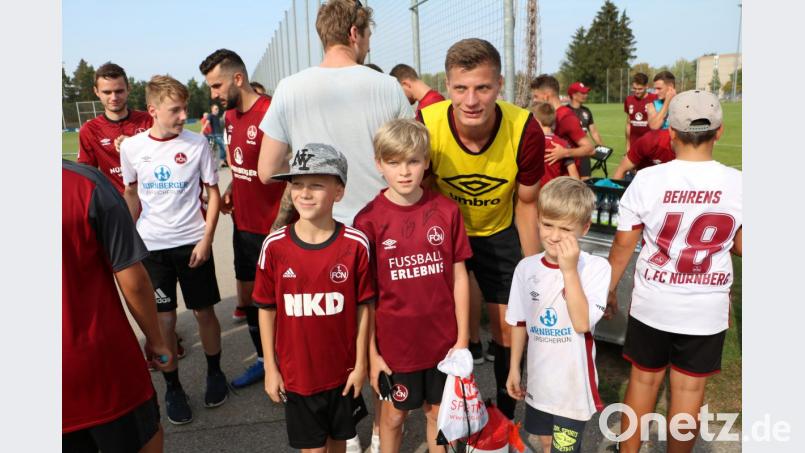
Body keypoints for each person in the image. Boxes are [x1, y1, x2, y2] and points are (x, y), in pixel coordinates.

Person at [606, 90, 742, 453]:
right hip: (705, 308)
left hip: (654, 301)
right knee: (688, 391)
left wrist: (607, 289)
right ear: (719, 132)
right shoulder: (739, 183)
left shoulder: (648, 180)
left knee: (643, 382)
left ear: (670, 134)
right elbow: (742, 246)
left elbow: (623, 245)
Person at [419, 38, 545, 420]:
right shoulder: (427, 124)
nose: (471, 100)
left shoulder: (525, 129)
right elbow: (420, 196)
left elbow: (526, 203)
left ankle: (504, 418)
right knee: (442, 330)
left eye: (482, 87)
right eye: (461, 88)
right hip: (445, 233)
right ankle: (452, 414)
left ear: (500, 84)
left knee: (509, 330)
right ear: (447, 85)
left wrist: (533, 270)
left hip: (498, 231)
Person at [354, 119, 472, 453]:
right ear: (379, 164)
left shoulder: (446, 211)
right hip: (395, 347)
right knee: (393, 418)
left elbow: (459, 276)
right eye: (393, 162)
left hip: (442, 342)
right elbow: (366, 296)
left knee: (438, 415)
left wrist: (462, 339)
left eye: (413, 161)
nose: (404, 172)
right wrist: (372, 354)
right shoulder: (368, 220)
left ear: (426, 162)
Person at [120, 75, 228, 425]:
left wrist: (207, 239)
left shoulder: (197, 144)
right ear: (153, 110)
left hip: (193, 244)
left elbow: (212, 194)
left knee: (204, 313)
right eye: (175, 110)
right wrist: (129, 240)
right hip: (153, 249)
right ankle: (173, 387)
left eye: (184, 108)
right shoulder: (132, 148)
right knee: (164, 320)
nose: (184, 115)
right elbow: (132, 194)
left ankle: (215, 373)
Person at [253, 144, 374, 453]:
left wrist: (361, 364)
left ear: (338, 192)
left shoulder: (356, 245)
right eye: (297, 184)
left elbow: (364, 307)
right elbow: (266, 309)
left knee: (339, 443)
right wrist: (271, 367)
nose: (304, 193)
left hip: (342, 373)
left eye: (316, 185)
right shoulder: (276, 246)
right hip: (299, 376)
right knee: (313, 449)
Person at [257, 0, 412, 227]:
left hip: (323, 229)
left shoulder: (288, 88)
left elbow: (267, 171)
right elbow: (412, 157)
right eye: (368, 36)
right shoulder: (389, 86)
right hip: (382, 225)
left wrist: (313, 167)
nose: (369, 47)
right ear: (354, 33)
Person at [62, 160, 172, 453]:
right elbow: (133, 280)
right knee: (145, 438)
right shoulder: (86, 184)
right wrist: (157, 340)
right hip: (103, 370)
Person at [200, 48, 288, 389]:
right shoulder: (231, 117)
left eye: (217, 85)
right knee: (253, 300)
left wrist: (283, 223)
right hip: (244, 227)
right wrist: (232, 188)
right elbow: (243, 164)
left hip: (276, 229)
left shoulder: (272, 113)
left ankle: (293, 367)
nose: (214, 94)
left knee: (284, 303)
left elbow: (288, 170)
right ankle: (265, 363)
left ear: (238, 78)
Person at [506, 177, 610, 453]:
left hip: (572, 391)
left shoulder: (596, 268)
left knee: (565, 450)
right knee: (545, 442)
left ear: (585, 228)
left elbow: (581, 322)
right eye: (547, 224)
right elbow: (518, 321)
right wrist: (514, 367)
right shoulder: (526, 268)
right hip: (540, 384)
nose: (553, 236)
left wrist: (568, 270)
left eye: (565, 229)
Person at [78, 62, 153, 193]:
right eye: (107, 92)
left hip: (152, 202)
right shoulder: (90, 130)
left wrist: (135, 145)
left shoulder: (149, 120)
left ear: (128, 89)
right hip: (115, 205)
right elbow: (86, 176)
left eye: (119, 91)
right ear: (96, 92)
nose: (114, 97)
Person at [530, 75, 595, 174]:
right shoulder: (546, 115)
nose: (534, 100)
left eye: (536, 96)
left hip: (565, 183)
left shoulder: (566, 117)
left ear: (546, 96)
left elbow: (590, 149)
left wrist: (565, 152)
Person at [532, 102, 580, 186]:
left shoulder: (531, 142)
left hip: (533, 194)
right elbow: (574, 176)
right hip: (554, 194)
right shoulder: (563, 145)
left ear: (536, 121)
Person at [566, 82, 604, 179]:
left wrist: (603, 148)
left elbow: (593, 131)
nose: (586, 95)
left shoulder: (586, 111)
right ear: (574, 95)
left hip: (584, 153)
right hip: (569, 154)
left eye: (586, 93)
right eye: (582, 93)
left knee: (585, 183)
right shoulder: (564, 111)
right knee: (570, 183)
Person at [623, 73, 657, 153]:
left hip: (651, 145)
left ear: (646, 86)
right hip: (634, 145)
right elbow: (628, 123)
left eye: (640, 89)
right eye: (634, 88)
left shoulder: (655, 99)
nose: (637, 91)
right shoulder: (629, 100)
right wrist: (628, 145)